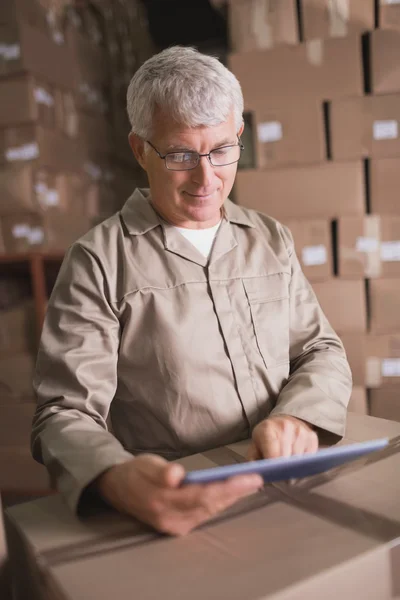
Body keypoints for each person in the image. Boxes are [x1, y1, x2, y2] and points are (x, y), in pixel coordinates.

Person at [31, 46, 352, 536]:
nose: (207, 178)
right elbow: (63, 413)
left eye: (222, 150)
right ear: (140, 149)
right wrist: (113, 476)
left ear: (239, 134)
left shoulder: (269, 240)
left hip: (287, 486)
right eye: (181, 154)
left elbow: (320, 349)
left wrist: (298, 418)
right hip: (182, 503)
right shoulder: (99, 261)